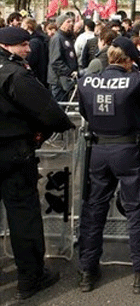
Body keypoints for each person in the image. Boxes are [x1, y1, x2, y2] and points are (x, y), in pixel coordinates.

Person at [77, 37, 140, 294]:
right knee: (137, 209)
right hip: (127, 148)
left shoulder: (86, 81)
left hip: (98, 149)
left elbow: (85, 112)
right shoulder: (135, 80)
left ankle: (87, 270)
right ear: (128, 60)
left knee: (93, 210)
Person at [0, 26, 74, 300]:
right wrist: (44, 130)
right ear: (7, 46)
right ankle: (31, 276)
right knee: (23, 215)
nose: (28, 49)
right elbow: (50, 112)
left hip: (13, 147)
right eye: (23, 45)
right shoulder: (16, 74)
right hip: (14, 153)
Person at [48, 13, 78, 101]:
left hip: (66, 79)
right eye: (68, 22)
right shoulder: (57, 38)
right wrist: (69, 72)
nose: (71, 24)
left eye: (72, 21)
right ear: (61, 24)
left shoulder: (68, 38)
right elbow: (55, 61)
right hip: (59, 80)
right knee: (59, 105)